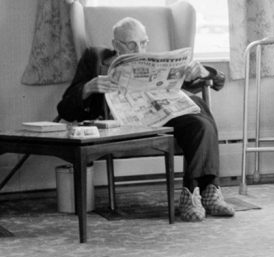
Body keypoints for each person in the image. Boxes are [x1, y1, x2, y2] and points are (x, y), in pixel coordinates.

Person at [57, 17, 234, 222]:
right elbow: (65, 109)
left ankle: (194, 194)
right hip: (121, 121)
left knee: (200, 122)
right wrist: (88, 88)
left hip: (161, 115)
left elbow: (218, 81)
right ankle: (208, 191)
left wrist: (202, 71)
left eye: (143, 43)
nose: (139, 49)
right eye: (131, 44)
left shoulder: (157, 61)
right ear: (115, 44)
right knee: (201, 114)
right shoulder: (95, 57)